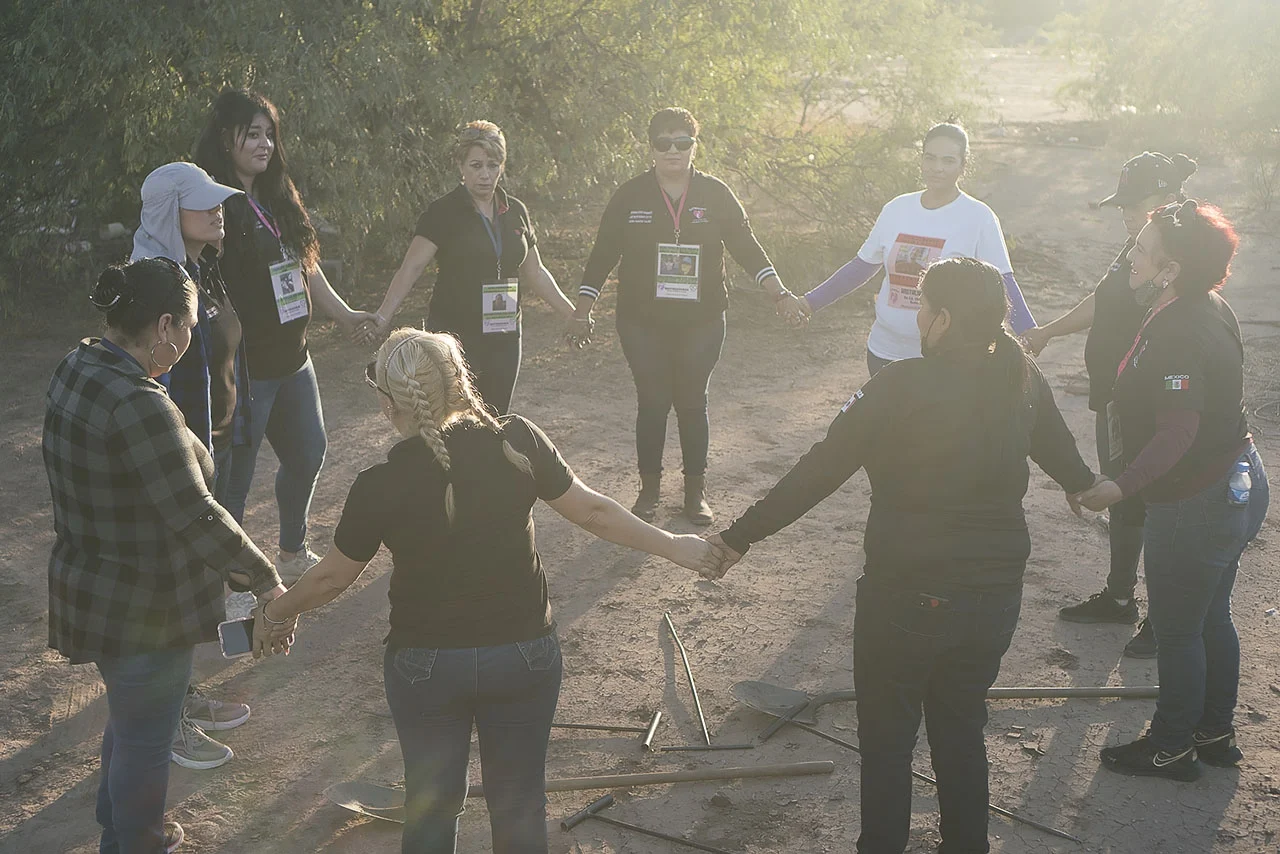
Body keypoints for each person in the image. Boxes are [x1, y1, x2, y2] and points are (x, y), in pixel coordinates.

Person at [255, 329, 713, 854]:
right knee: (519, 803)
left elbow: (333, 577)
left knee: (430, 803)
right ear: (459, 383)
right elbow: (594, 511)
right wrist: (673, 544)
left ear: (385, 404)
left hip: (425, 665)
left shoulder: (379, 483)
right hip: (522, 654)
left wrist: (278, 610)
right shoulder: (516, 441)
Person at [704, 258, 1096, 854]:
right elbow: (1069, 466)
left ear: (940, 319)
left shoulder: (901, 383)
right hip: (995, 596)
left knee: (888, 740)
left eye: (921, 305)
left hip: (908, 591)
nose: (917, 316)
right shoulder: (1023, 377)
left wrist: (737, 537)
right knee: (961, 728)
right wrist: (1099, 487)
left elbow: (819, 470)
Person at [43, 259, 289, 854]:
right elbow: (196, 514)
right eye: (189, 324)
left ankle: (118, 826)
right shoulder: (140, 404)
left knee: (130, 724)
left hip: (93, 586)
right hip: (143, 604)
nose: (191, 337)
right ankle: (137, 842)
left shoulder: (78, 364)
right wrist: (266, 580)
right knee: (147, 740)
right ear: (162, 327)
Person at [1074, 201, 1268, 781]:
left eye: (1143, 246)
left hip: (1197, 501)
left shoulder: (1183, 328)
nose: (1132, 252)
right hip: (1238, 479)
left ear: (1171, 267)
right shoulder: (1204, 304)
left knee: (1180, 628)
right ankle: (1213, 732)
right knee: (1211, 617)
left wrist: (1121, 486)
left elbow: (1178, 429)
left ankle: (1171, 746)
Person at [575, 107, 794, 525]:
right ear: (651, 147)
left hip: (703, 318)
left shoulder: (716, 194)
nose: (673, 150)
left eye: (683, 142)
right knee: (653, 401)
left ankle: (696, 494)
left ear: (695, 146)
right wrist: (582, 309)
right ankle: (649, 493)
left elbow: (746, 247)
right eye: (664, 142)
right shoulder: (631, 194)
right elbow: (603, 252)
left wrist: (779, 294)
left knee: (693, 402)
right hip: (641, 319)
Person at [1024, 152, 1198, 659]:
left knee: (1163, 504)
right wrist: (1049, 332)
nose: (1125, 215)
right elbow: (1104, 299)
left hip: (1152, 405)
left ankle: (1166, 619)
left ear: (1167, 200)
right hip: (1116, 399)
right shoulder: (1140, 245)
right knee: (1122, 495)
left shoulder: (1180, 258)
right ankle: (1121, 597)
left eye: (1133, 205)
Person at [195, 88, 373, 583]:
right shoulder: (211, 202)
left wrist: (344, 315)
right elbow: (199, 279)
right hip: (247, 369)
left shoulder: (277, 195)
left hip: (296, 360)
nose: (265, 144)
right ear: (225, 138)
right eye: (252, 134)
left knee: (309, 455)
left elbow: (304, 267)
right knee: (234, 486)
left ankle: (292, 552)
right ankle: (227, 583)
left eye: (270, 134)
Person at [130, 161, 260, 770]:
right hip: (165, 460)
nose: (218, 211)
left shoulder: (186, 268)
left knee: (188, 582)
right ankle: (167, 722)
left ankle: (180, 695)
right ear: (167, 213)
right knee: (168, 588)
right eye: (203, 204)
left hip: (195, 444)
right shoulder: (152, 283)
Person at [356, 121, 583, 415]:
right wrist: (383, 317)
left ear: (502, 166)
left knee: (494, 418)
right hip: (454, 337)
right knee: (454, 420)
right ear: (460, 165)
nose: (485, 175)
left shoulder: (516, 211)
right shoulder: (443, 212)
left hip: (505, 335)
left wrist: (573, 315)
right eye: (476, 165)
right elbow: (411, 269)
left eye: (493, 164)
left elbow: (536, 272)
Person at [780, 121, 1036, 376]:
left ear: (963, 165)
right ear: (921, 160)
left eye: (948, 161)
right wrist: (808, 303)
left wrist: (1028, 330)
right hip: (885, 353)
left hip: (945, 358)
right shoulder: (897, 209)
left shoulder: (979, 217)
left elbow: (1002, 282)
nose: (937, 168)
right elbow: (861, 267)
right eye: (930, 158)